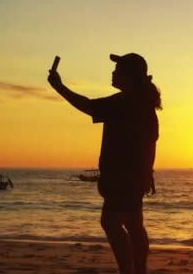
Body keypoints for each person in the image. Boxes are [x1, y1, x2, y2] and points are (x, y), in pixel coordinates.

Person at [48, 53, 161, 274]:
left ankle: (128, 271)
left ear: (129, 76)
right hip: (134, 178)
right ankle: (138, 270)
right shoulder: (142, 103)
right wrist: (146, 174)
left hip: (122, 178)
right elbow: (150, 143)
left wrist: (59, 87)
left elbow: (89, 106)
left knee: (111, 223)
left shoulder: (125, 102)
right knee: (133, 225)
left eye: (118, 69)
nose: (113, 73)